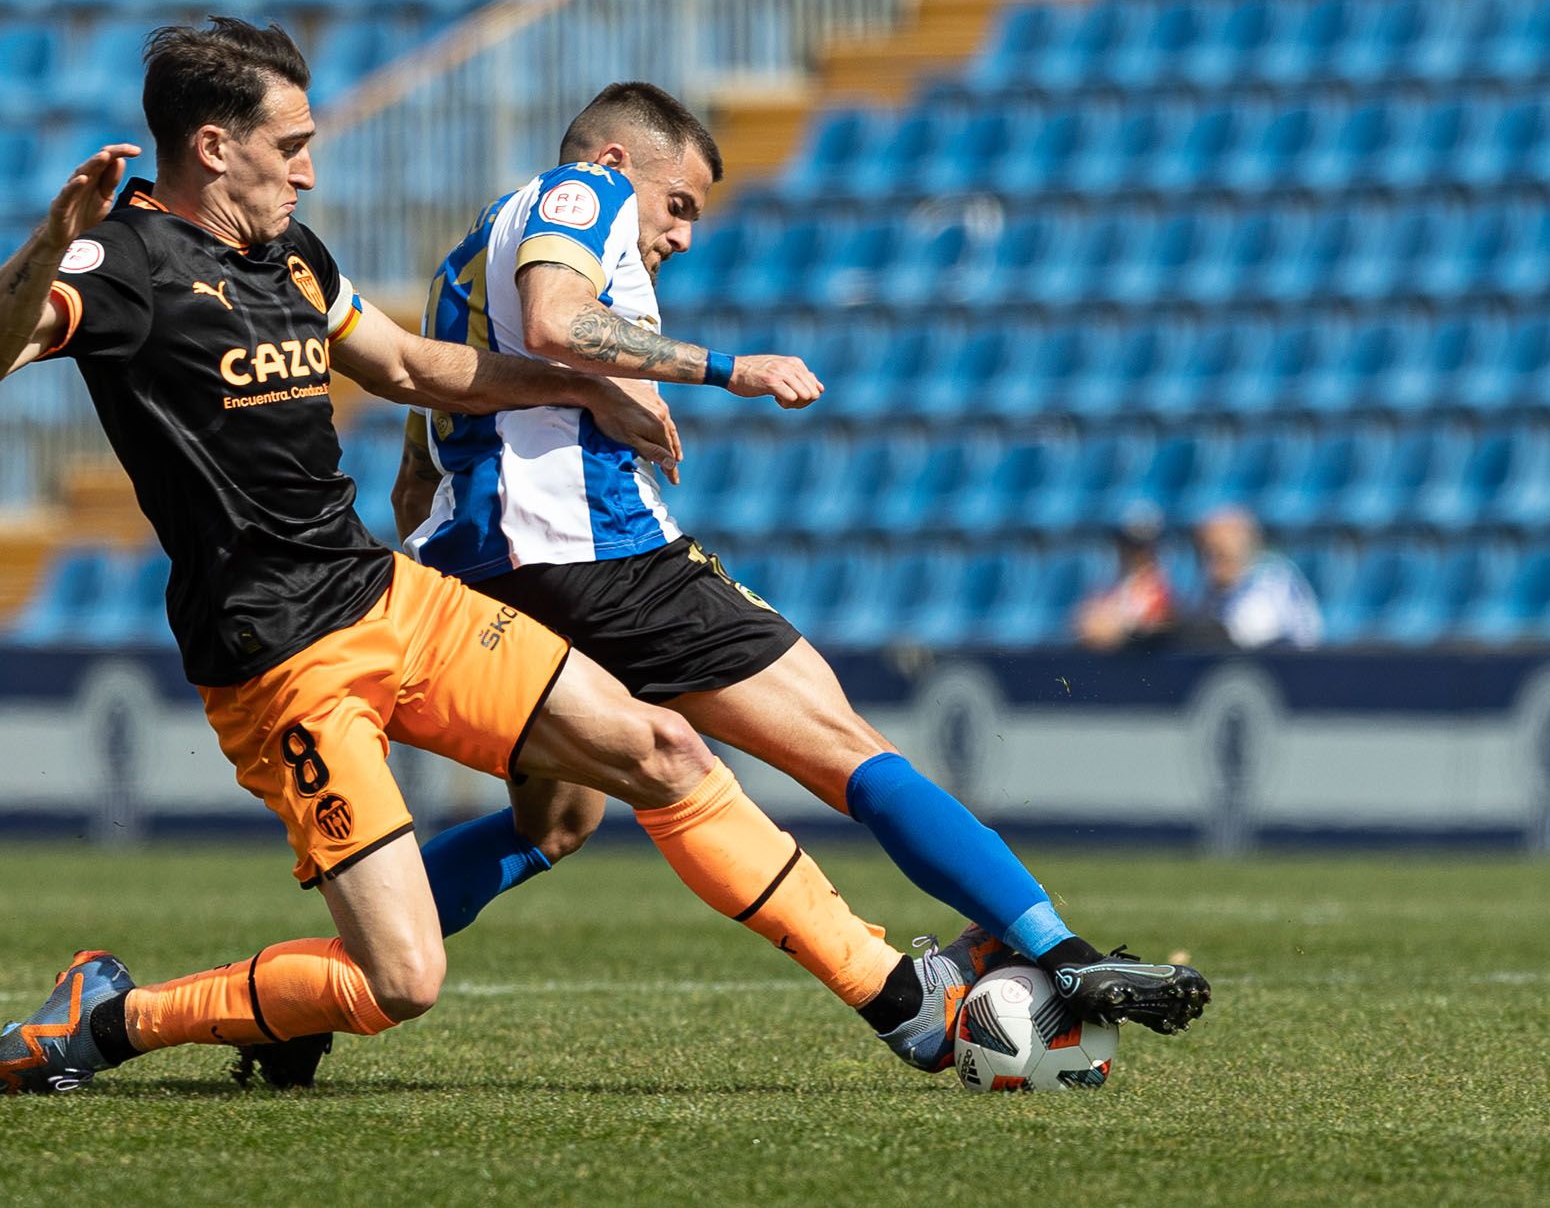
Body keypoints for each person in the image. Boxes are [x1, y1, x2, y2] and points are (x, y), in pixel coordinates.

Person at [0, 20, 972, 1096]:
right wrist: (49, 239)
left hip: (387, 595)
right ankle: (112, 1018)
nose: (308, 167)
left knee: (663, 752)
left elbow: (409, 365)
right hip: (279, 657)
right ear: (213, 147)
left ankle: (903, 1002)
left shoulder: (290, 255)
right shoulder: (119, 261)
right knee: (400, 982)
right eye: (289, 143)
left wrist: (577, 383)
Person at [381, 81, 1210, 1073]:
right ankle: (1056, 950)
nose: (684, 235)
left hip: (479, 569)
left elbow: (414, 471)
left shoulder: (460, 266)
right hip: (592, 549)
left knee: (555, 818)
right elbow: (561, 321)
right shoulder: (578, 193)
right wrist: (731, 367)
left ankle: (311, 992)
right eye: (678, 204)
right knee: (840, 742)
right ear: (613, 163)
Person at [1194, 506, 1323, 649]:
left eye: (1219, 552)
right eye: (1205, 552)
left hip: (1289, 663)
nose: (1211, 562)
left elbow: (1245, 634)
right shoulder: (1216, 587)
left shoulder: (1272, 579)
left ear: (1245, 542)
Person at [1073, 505, 1177, 651]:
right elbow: (1086, 623)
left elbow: (1159, 624)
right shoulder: (1115, 582)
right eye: (1128, 545)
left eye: (1141, 547)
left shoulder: (1160, 585)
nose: (1133, 552)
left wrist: (1119, 629)